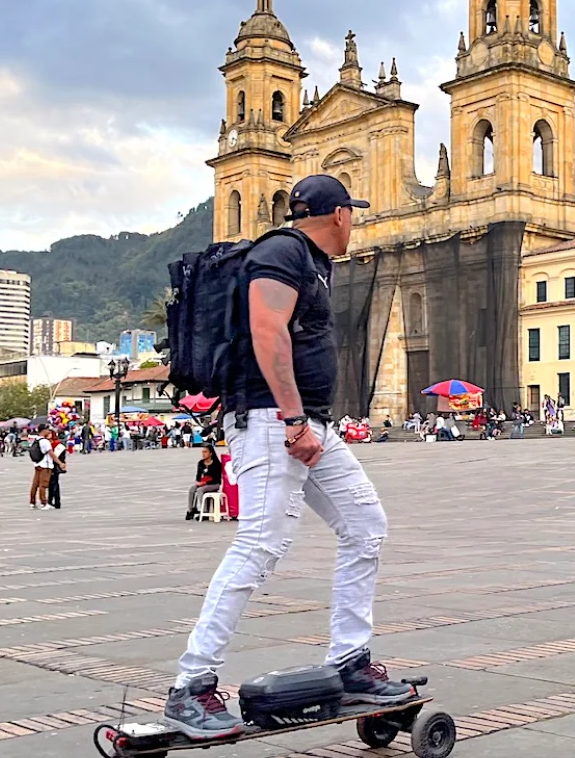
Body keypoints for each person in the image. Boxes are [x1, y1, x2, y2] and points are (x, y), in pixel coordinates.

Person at [165, 174, 411, 740]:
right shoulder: (282, 253)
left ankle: (351, 663)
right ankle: (191, 686)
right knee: (259, 543)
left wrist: (307, 422)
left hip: (307, 426)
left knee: (365, 526)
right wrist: (294, 418)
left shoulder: (309, 261)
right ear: (340, 214)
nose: (355, 222)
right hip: (274, 422)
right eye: (353, 212)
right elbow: (266, 331)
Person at [187, 444, 224, 520]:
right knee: (192, 489)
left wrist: (204, 483)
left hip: (213, 484)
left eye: (205, 452)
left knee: (200, 490)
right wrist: (197, 482)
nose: (203, 454)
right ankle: (191, 510)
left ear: (211, 453)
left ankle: (204, 511)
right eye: (202, 452)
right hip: (203, 483)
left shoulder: (216, 464)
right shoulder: (200, 463)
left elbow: (216, 479)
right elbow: (198, 476)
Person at [28, 425, 61, 509]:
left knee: (35, 484)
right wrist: (60, 463)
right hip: (45, 465)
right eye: (47, 430)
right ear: (43, 430)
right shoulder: (45, 441)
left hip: (37, 464)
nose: (49, 431)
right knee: (43, 484)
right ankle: (44, 503)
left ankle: (32, 502)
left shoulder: (35, 440)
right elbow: (51, 454)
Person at [46, 432, 68, 509]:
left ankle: (52, 501)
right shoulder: (49, 444)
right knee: (53, 484)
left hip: (55, 466)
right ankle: (55, 501)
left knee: (53, 484)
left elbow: (61, 457)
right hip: (52, 466)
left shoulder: (58, 446)